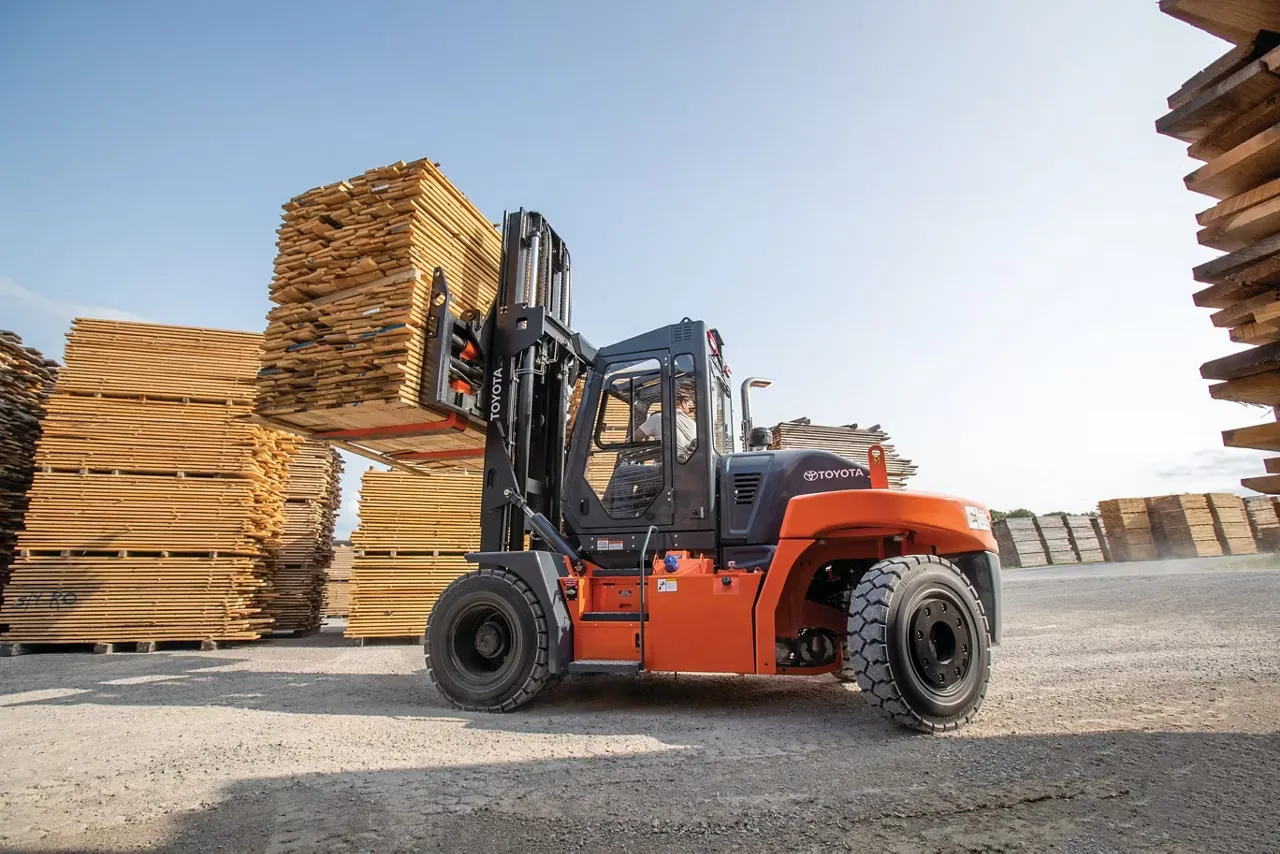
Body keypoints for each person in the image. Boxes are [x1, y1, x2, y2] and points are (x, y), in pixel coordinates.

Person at [638, 385, 698, 462]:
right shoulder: (693, 424)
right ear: (683, 403)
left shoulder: (658, 417)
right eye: (689, 404)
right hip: (685, 467)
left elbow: (635, 438)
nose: (690, 407)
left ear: (683, 403)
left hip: (664, 468)